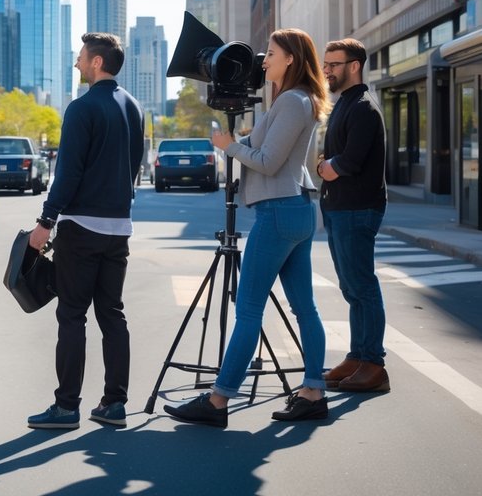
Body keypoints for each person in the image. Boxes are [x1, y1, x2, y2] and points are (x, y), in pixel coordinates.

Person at [165, 28, 331, 426]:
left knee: (250, 309)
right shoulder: (292, 100)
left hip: (279, 211)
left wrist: (229, 146)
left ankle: (219, 400)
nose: (263, 59)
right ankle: (312, 390)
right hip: (293, 210)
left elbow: (269, 161)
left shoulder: (292, 101)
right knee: (304, 307)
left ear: (291, 58)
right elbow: (271, 154)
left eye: (271, 53)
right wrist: (242, 143)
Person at [26, 33, 144, 430]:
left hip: (81, 228)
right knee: (113, 314)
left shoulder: (81, 108)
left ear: (96, 63)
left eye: (80, 58)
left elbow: (69, 172)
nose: (76, 64)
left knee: (72, 316)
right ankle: (114, 404)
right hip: (118, 229)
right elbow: (134, 167)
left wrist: (46, 221)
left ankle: (66, 407)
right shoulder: (134, 108)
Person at [318, 38, 389, 393]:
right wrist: (326, 167)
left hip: (357, 209)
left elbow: (349, 162)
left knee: (363, 286)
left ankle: (374, 364)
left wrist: (327, 166)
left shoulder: (363, 106)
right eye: (326, 64)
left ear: (354, 65)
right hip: (340, 209)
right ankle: (358, 355)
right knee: (351, 288)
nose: (327, 70)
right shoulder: (344, 103)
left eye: (333, 64)